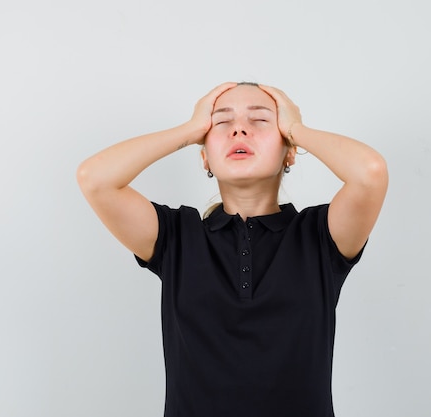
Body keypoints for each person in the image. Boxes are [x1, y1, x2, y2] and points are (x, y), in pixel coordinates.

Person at [77, 82, 388, 417]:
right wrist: (188, 129)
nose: (239, 128)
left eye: (261, 121)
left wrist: (297, 128)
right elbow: (95, 178)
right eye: (222, 122)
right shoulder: (176, 235)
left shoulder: (319, 235)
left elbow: (370, 174)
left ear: (290, 152)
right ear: (204, 158)